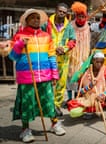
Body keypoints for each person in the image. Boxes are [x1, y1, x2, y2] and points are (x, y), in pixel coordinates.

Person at [8, 9, 66, 143]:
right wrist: (20, 44)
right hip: (27, 77)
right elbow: (12, 56)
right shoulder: (19, 36)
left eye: (38, 18)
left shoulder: (46, 36)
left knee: (48, 101)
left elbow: (52, 55)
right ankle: (25, 130)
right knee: (27, 104)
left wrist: (54, 74)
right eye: (33, 18)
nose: (36, 20)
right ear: (27, 21)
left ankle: (54, 124)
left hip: (45, 76)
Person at [66, 2, 106, 104]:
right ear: (76, 16)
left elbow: (102, 25)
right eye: (79, 16)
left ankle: (78, 96)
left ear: (85, 17)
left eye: (83, 16)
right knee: (69, 77)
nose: (81, 18)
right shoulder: (70, 26)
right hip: (71, 55)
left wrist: (104, 13)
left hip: (83, 57)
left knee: (80, 77)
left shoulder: (89, 26)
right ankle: (69, 98)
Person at [41, 3, 76, 116]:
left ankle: (56, 105)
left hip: (63, 59)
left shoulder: (69, 26)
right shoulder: (46, 24)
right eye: (60, 11)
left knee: (61, 84)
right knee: (47, 83)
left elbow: (73, 41)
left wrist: (65, 48)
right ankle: (46, 105)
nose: (62, 13)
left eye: (64, 12)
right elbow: (40, 37)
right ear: (56, 10)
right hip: (47, 58)